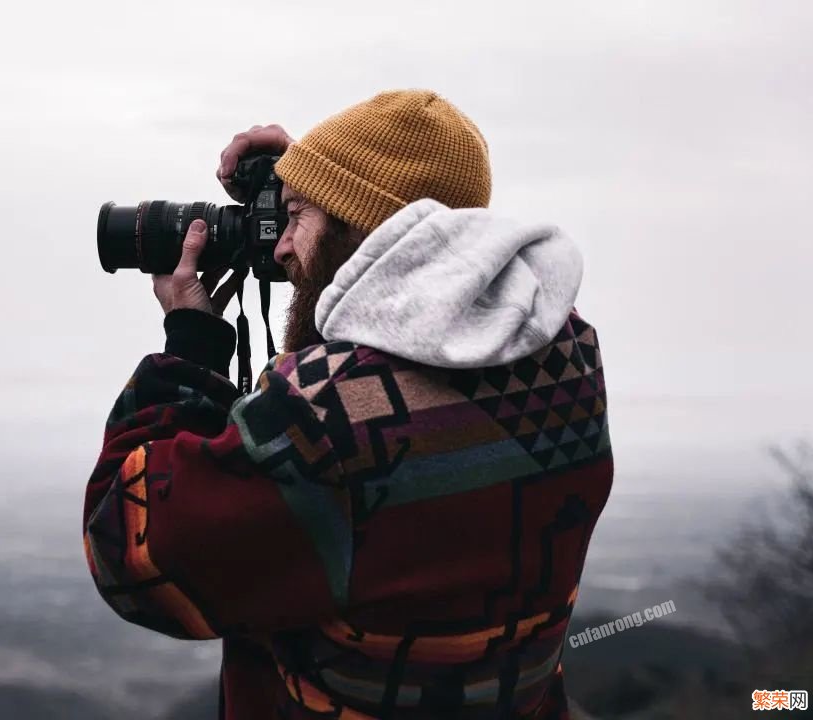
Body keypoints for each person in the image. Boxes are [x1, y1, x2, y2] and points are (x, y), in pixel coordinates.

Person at [83, 89, 614, 719]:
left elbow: (129, 555)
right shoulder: (567, 355)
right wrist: (316, 186)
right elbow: (402, 325)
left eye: (298, 220)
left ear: (361, 229)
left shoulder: (327, 424)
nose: (280, 250)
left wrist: (192, 348)